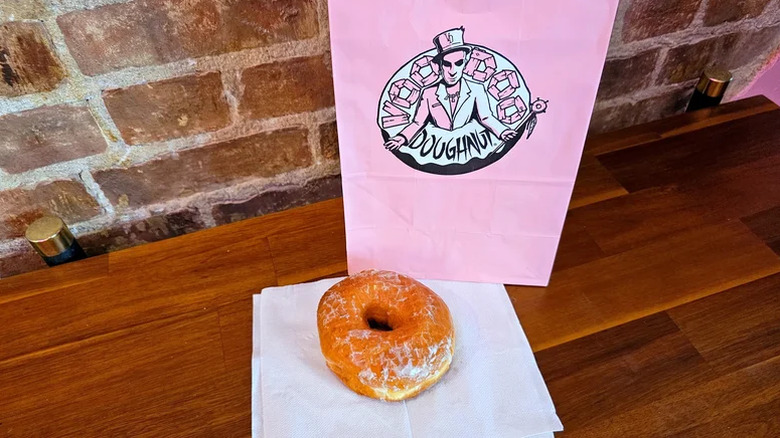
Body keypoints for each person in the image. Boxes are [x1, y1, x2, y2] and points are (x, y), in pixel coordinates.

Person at [384, 27, 517, 151]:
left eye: (458, 63)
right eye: (447, 64)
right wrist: (401, 137)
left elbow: (486, 117)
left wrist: (503, 131)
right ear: (440, 66)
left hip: (467, 145)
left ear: (465, 63)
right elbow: (418, 122)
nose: (452, 71)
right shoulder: (429, 93)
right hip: (438, 147)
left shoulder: (477, 89)